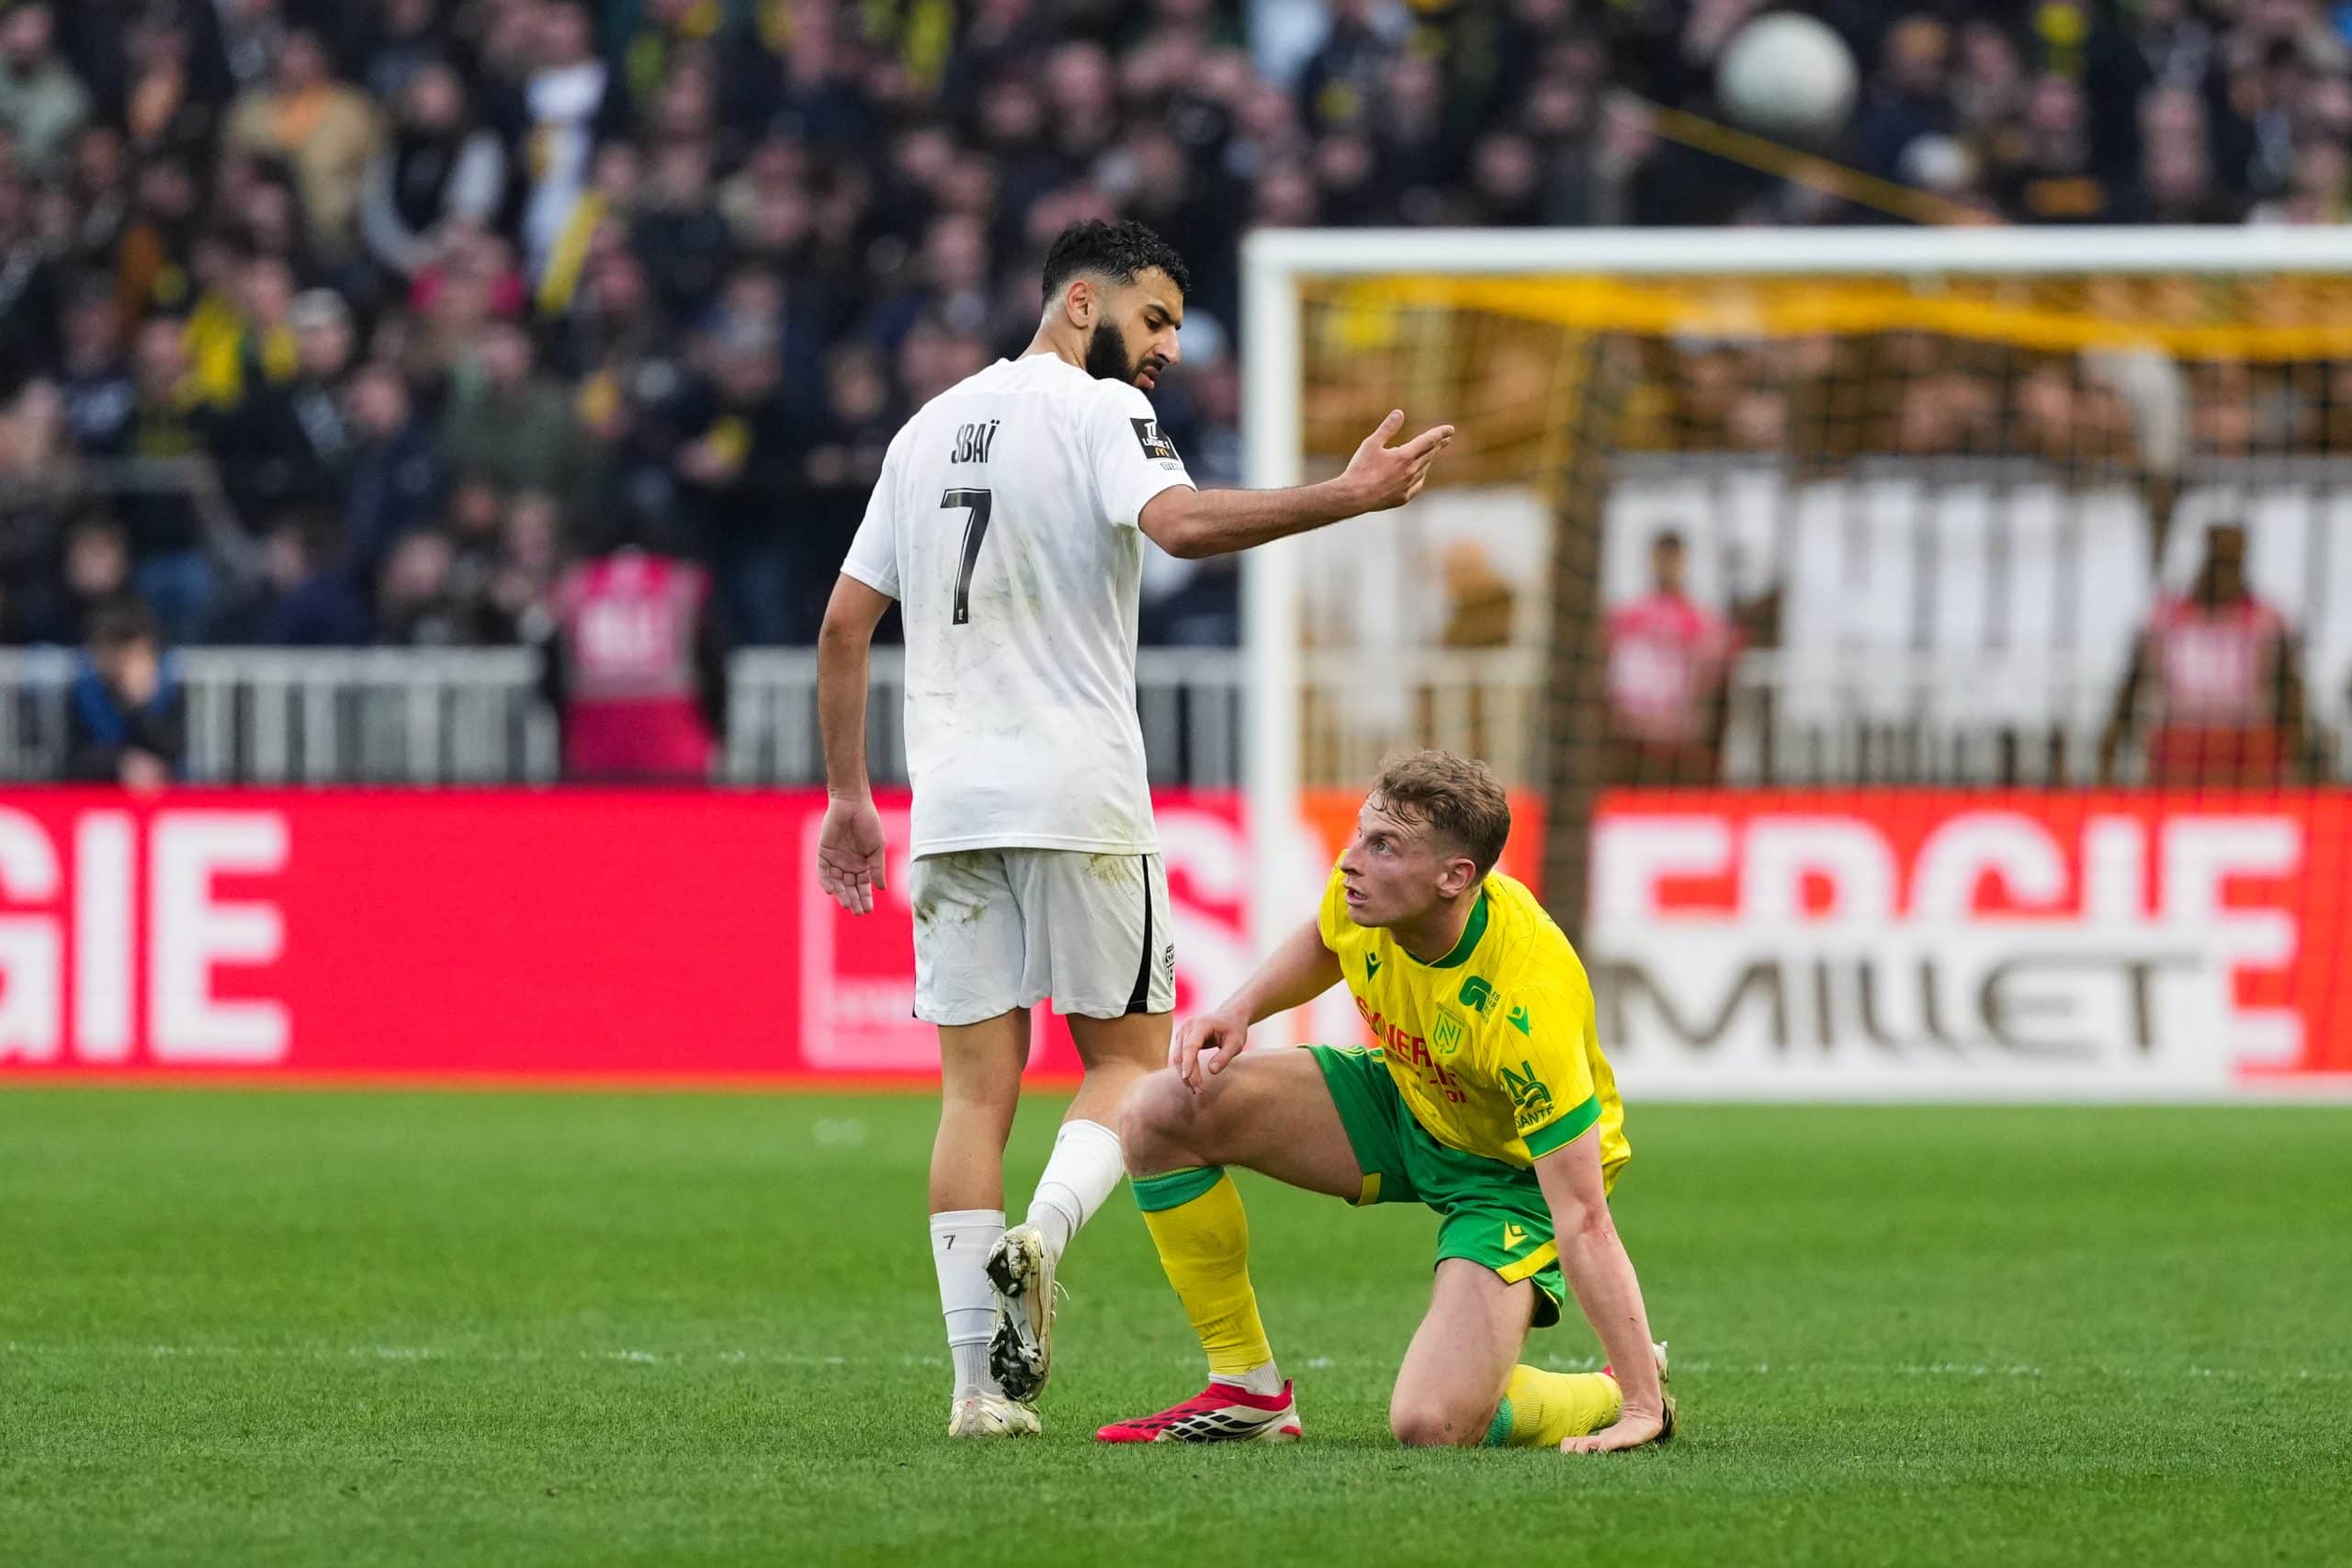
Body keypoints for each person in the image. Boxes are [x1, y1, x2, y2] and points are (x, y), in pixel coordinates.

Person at [814, 218, 1452, 1439]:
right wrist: (1347, 495)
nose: (1163, 346)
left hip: (949, 807)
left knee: (972, 1097)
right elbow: (1182, 526)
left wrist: (849, 797)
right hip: (1079, 794)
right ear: (1078, 305)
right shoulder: (1099, 411)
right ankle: (1041, 1240)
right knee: (1127, 1061)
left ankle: (978, 1390)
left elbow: (846, 627)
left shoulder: (924, 427)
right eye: (1151, 318)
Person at [1099, 751, 1673, 1451]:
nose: (1350, 863)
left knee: (1431, 1424)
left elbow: (1584, 1217)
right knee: (1157, 1109)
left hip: (1510, 1175)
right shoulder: (1366, 897)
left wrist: (1641, 1406)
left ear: (1454, 876)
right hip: (1409, 1095)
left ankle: (1614, 1386)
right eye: (1359, 835)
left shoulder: (1527, 1002)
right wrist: (1241, 1006)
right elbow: (1326, 936)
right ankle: (1247, 1388)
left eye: (1383, 846)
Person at [2098, 523, 2308, 788]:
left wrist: (2300, 753)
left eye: (2230, 561)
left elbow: (2290, 693)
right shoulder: (2166, 617)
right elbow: (2132, 682)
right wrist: (2110, 744)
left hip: (2249, 755)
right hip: (2178, 752)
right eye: (2219, 558)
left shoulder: (2267, 621)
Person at [545, 512, 726, 783]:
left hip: (593, 755)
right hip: (676, 753)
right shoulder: (684, 584)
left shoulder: (574, 585)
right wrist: (717, 732)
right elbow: (714, 668)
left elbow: (551, 678)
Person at [1603, 531, 1738, 786]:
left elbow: (1717, 664)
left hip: (1680, 739)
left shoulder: (1699, 618)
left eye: (1672, 559)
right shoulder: (1629, 614)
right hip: (1630, 736)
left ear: (1683, 561)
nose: (1666, 566)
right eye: (1661, 558)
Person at [65, 600, 184, 790]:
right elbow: (74, 758)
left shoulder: (168, 688)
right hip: (100, 792)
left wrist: (140, 705)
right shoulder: (85, 691)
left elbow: (174, 752)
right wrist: (120, 763)